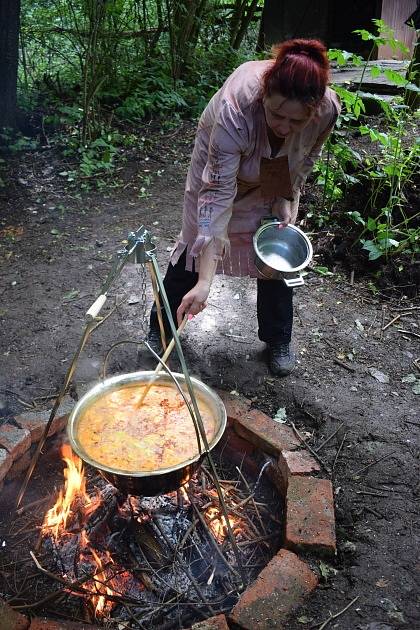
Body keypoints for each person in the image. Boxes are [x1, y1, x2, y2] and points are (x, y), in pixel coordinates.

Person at [148, 38, 341, 376]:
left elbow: (307, 154)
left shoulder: (327, 109)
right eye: (276, 114)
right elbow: (218, 195)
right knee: (195, 244)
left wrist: (288, 194)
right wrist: (206, 282)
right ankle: (162, 327)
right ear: (264, 95)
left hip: (275, 170)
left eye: (295, 122)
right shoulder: (236, 106)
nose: (283, 126)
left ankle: (278, 337)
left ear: (313, 110)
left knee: (276, 248)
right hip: (217, 169)